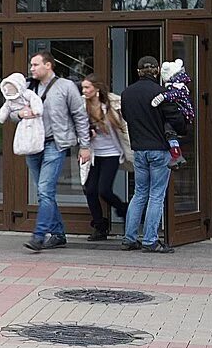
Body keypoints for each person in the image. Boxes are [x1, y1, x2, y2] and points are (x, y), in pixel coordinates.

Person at [19, 51, 91, 252]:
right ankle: (58, 234)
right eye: (31, 65)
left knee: (44, 190)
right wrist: (19, 113)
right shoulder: (27, 87)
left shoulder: (66, 87)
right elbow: (12, 111)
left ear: (48, 65)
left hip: (55, 144)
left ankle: (39, 235)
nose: (31, 68)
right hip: (33, 145)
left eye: (35, 65)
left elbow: (80, 116)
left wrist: (85, 145)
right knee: (45, 193)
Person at [119, 56, 191, 254]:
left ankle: (129, 238)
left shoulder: (127, 94)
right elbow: (177, 120)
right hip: (159, 148)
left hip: (139, 149)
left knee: (139, 193)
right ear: (157, 71)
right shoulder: (162, 93)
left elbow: (126, 116)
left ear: (138, 71)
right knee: (156, 195)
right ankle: (150, 240)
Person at [80, 76, 131, 241]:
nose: (84, 91)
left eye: (87, 88)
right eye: (83, 88)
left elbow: (123, 126)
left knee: (104, 189)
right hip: (94, 155)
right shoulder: (82, 106)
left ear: (96, 89)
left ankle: (123, 209)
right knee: (90, 189)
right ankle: (100, 226)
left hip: (112, 154)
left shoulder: (111, 105)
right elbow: (77, 128)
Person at [0, 72, 44, 157]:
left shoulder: (28, 94)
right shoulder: (10, 100)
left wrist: (36, 110)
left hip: (36, 121)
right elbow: (6, 109)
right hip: (23, 122)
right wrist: (18, 114)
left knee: (35, 132)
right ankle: (21, 148)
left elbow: (35, 100)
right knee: (22, 134)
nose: (32, 68)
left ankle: (36, 146)